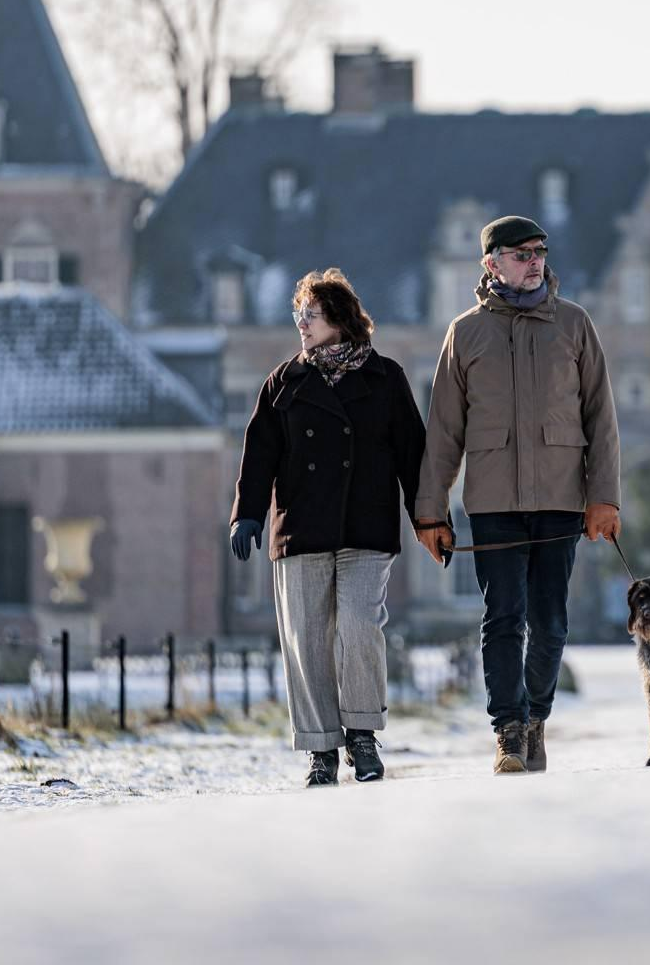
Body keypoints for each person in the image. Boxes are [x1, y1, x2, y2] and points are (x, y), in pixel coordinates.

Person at [413, 216, 621, 774]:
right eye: (521, 253)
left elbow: (601, 418)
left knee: (550, 621)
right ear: (491, 264)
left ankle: (535, 718)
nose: (534, 261)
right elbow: (443, 430)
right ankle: (508, 730)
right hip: (493, 501)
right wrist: (431, 509)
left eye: (540, 252)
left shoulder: (575, 325)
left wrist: (604, 497)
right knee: (503, 616)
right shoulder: (465, 333)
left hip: (560, 499)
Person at [229, 268, 425, 787]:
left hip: (366, 526)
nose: (301, 324)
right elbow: (259, 454)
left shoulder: (385, 378)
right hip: (300, 528)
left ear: (338, 317)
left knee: (361, 625)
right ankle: (321, 748)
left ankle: (362, 733)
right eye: (298, 315)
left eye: (309, 314)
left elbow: (413, 454)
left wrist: (430, 518)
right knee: (307, 639)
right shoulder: (283, 382)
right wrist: (247, 513)